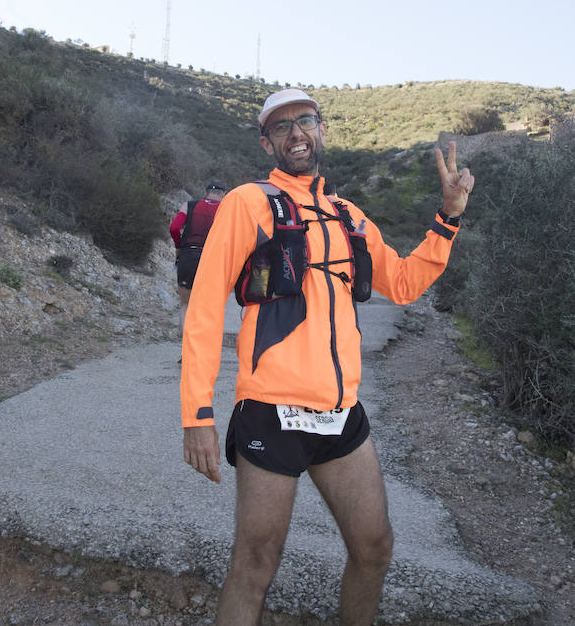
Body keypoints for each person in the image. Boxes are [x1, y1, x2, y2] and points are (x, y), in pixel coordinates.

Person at [180, 89, 473, 626]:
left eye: (305, 121)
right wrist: (197, 415)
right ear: (267, 141)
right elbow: (203, 309)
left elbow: (403, 283)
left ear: (321, 130)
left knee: (375, 547)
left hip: (342, 416)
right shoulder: (248, 202)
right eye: (283, 126)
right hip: (271, 410)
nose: (296, 132)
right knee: (255, 564)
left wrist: (447, 218)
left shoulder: (349, 215)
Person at [169, 178, 227, 335]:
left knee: (185, 304)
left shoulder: (189, 206)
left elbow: (174, 228)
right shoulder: (226, 209)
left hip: (188, 256)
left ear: (205, 192)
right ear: (224, 194)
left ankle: (185, 350)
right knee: (208, 307)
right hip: (212, 260)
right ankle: (201, 349)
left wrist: (179, 246)